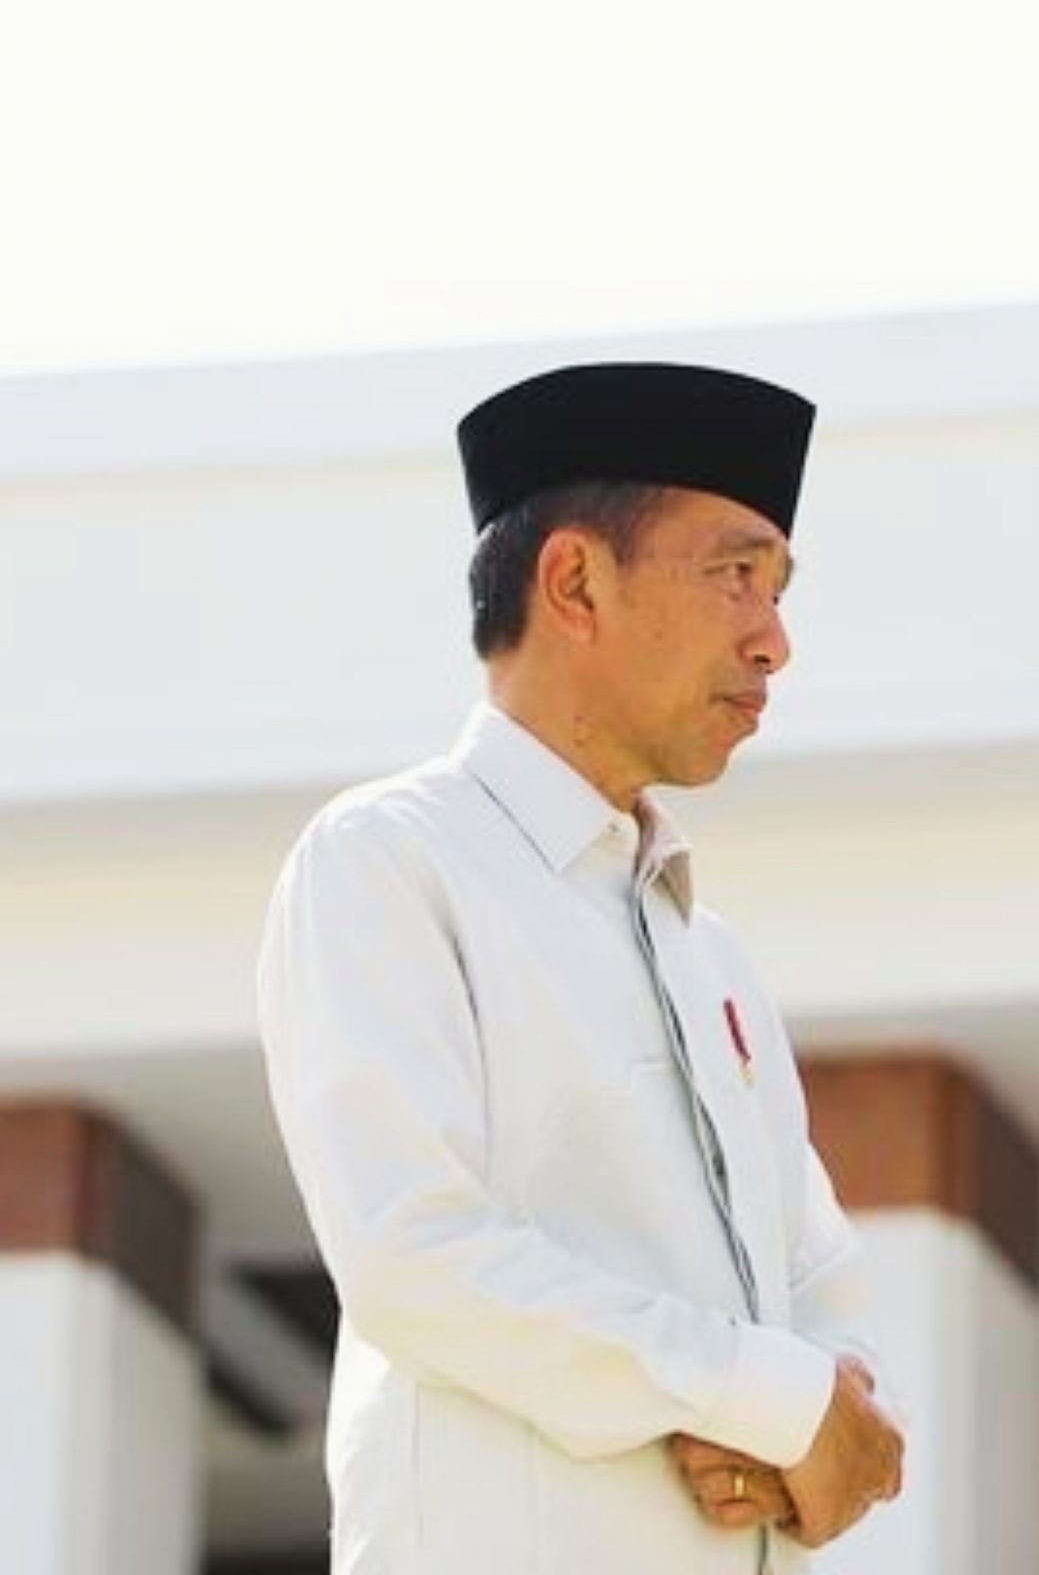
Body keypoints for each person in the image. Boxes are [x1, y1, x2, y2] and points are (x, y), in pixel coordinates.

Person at [258, 362, 903, 1573]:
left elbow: (825, 1292)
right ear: (573, 582)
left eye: (777, 588)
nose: (774, 641)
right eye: (735, 575)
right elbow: (414, 1256)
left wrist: (820, 1427)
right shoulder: (390, 863)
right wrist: (760, 1397)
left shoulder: (711, 956)